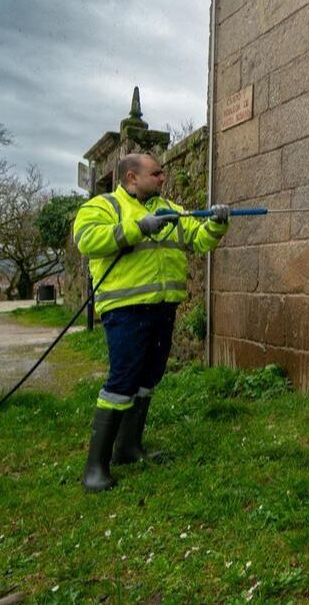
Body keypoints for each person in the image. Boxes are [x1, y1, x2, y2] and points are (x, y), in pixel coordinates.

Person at [72, 152, 230, 492]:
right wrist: (136, 229)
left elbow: (198, 240)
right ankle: (95, 468)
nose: (162, 178)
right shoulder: (103, 207)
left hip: (162, 307)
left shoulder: (170, 209)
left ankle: (128, 448)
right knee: (123, 380)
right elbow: (87, 240)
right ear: (131, 177)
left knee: (149, 377)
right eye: (156, 173)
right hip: (126, 309)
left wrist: (216, 223)